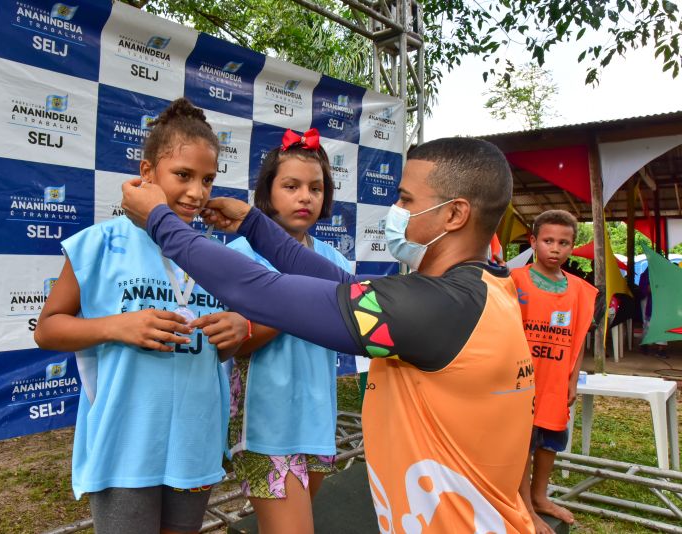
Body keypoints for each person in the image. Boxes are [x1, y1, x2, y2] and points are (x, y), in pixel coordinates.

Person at [122, 137, 536, 533]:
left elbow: (258, 290)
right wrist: (254, 224)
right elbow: (339, 283)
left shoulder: (436, 308)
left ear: (454, 214)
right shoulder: (487, 290)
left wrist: (160, 221)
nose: (396, 210)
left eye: (406, 200)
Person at [34, 98, 249, 534]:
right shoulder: (98, 243)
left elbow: (240, 327)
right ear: (147, 173)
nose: (197, 192)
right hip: (125, 443)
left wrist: (238, 328)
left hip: (196, 440)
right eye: (183, 175)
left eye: (207, 179)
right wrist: (118, 326)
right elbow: (48, 329)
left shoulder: (212, 254)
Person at [223, 128, 350, 534]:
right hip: (265, 426)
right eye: (291, 186)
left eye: (315, 187)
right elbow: (234, 344)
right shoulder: (241, 254)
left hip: (317, 424)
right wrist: (300, 305)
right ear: (268, 191)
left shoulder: (334, 261)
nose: (304, 197)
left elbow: (351, 327)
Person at [510, 210, 598, 534]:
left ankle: (540, 496)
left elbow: (579, 338)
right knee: (523, 442)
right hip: (520, 380)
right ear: (533, 242)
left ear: (573, 246)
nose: (555, 248)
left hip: (555, 381)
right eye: (548, 241)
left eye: (564, 242)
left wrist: (573, 379)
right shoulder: (514, 281)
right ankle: (525, 506)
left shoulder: (578, 290)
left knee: (550, 439)